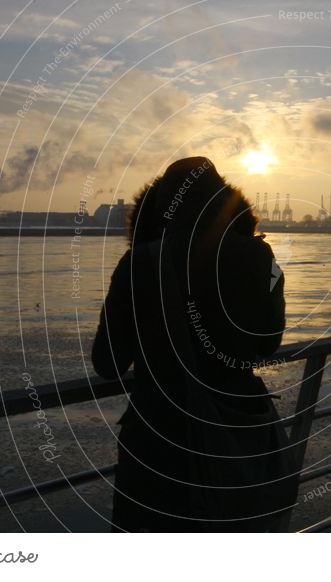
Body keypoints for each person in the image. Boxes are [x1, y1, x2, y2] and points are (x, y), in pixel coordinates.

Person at [92, 157, 293, 532]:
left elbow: (107, 362)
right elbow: (267, 343)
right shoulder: (257, 256)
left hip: (160, 442)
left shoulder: (139, 263)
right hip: (238, 431)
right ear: (225, 201)